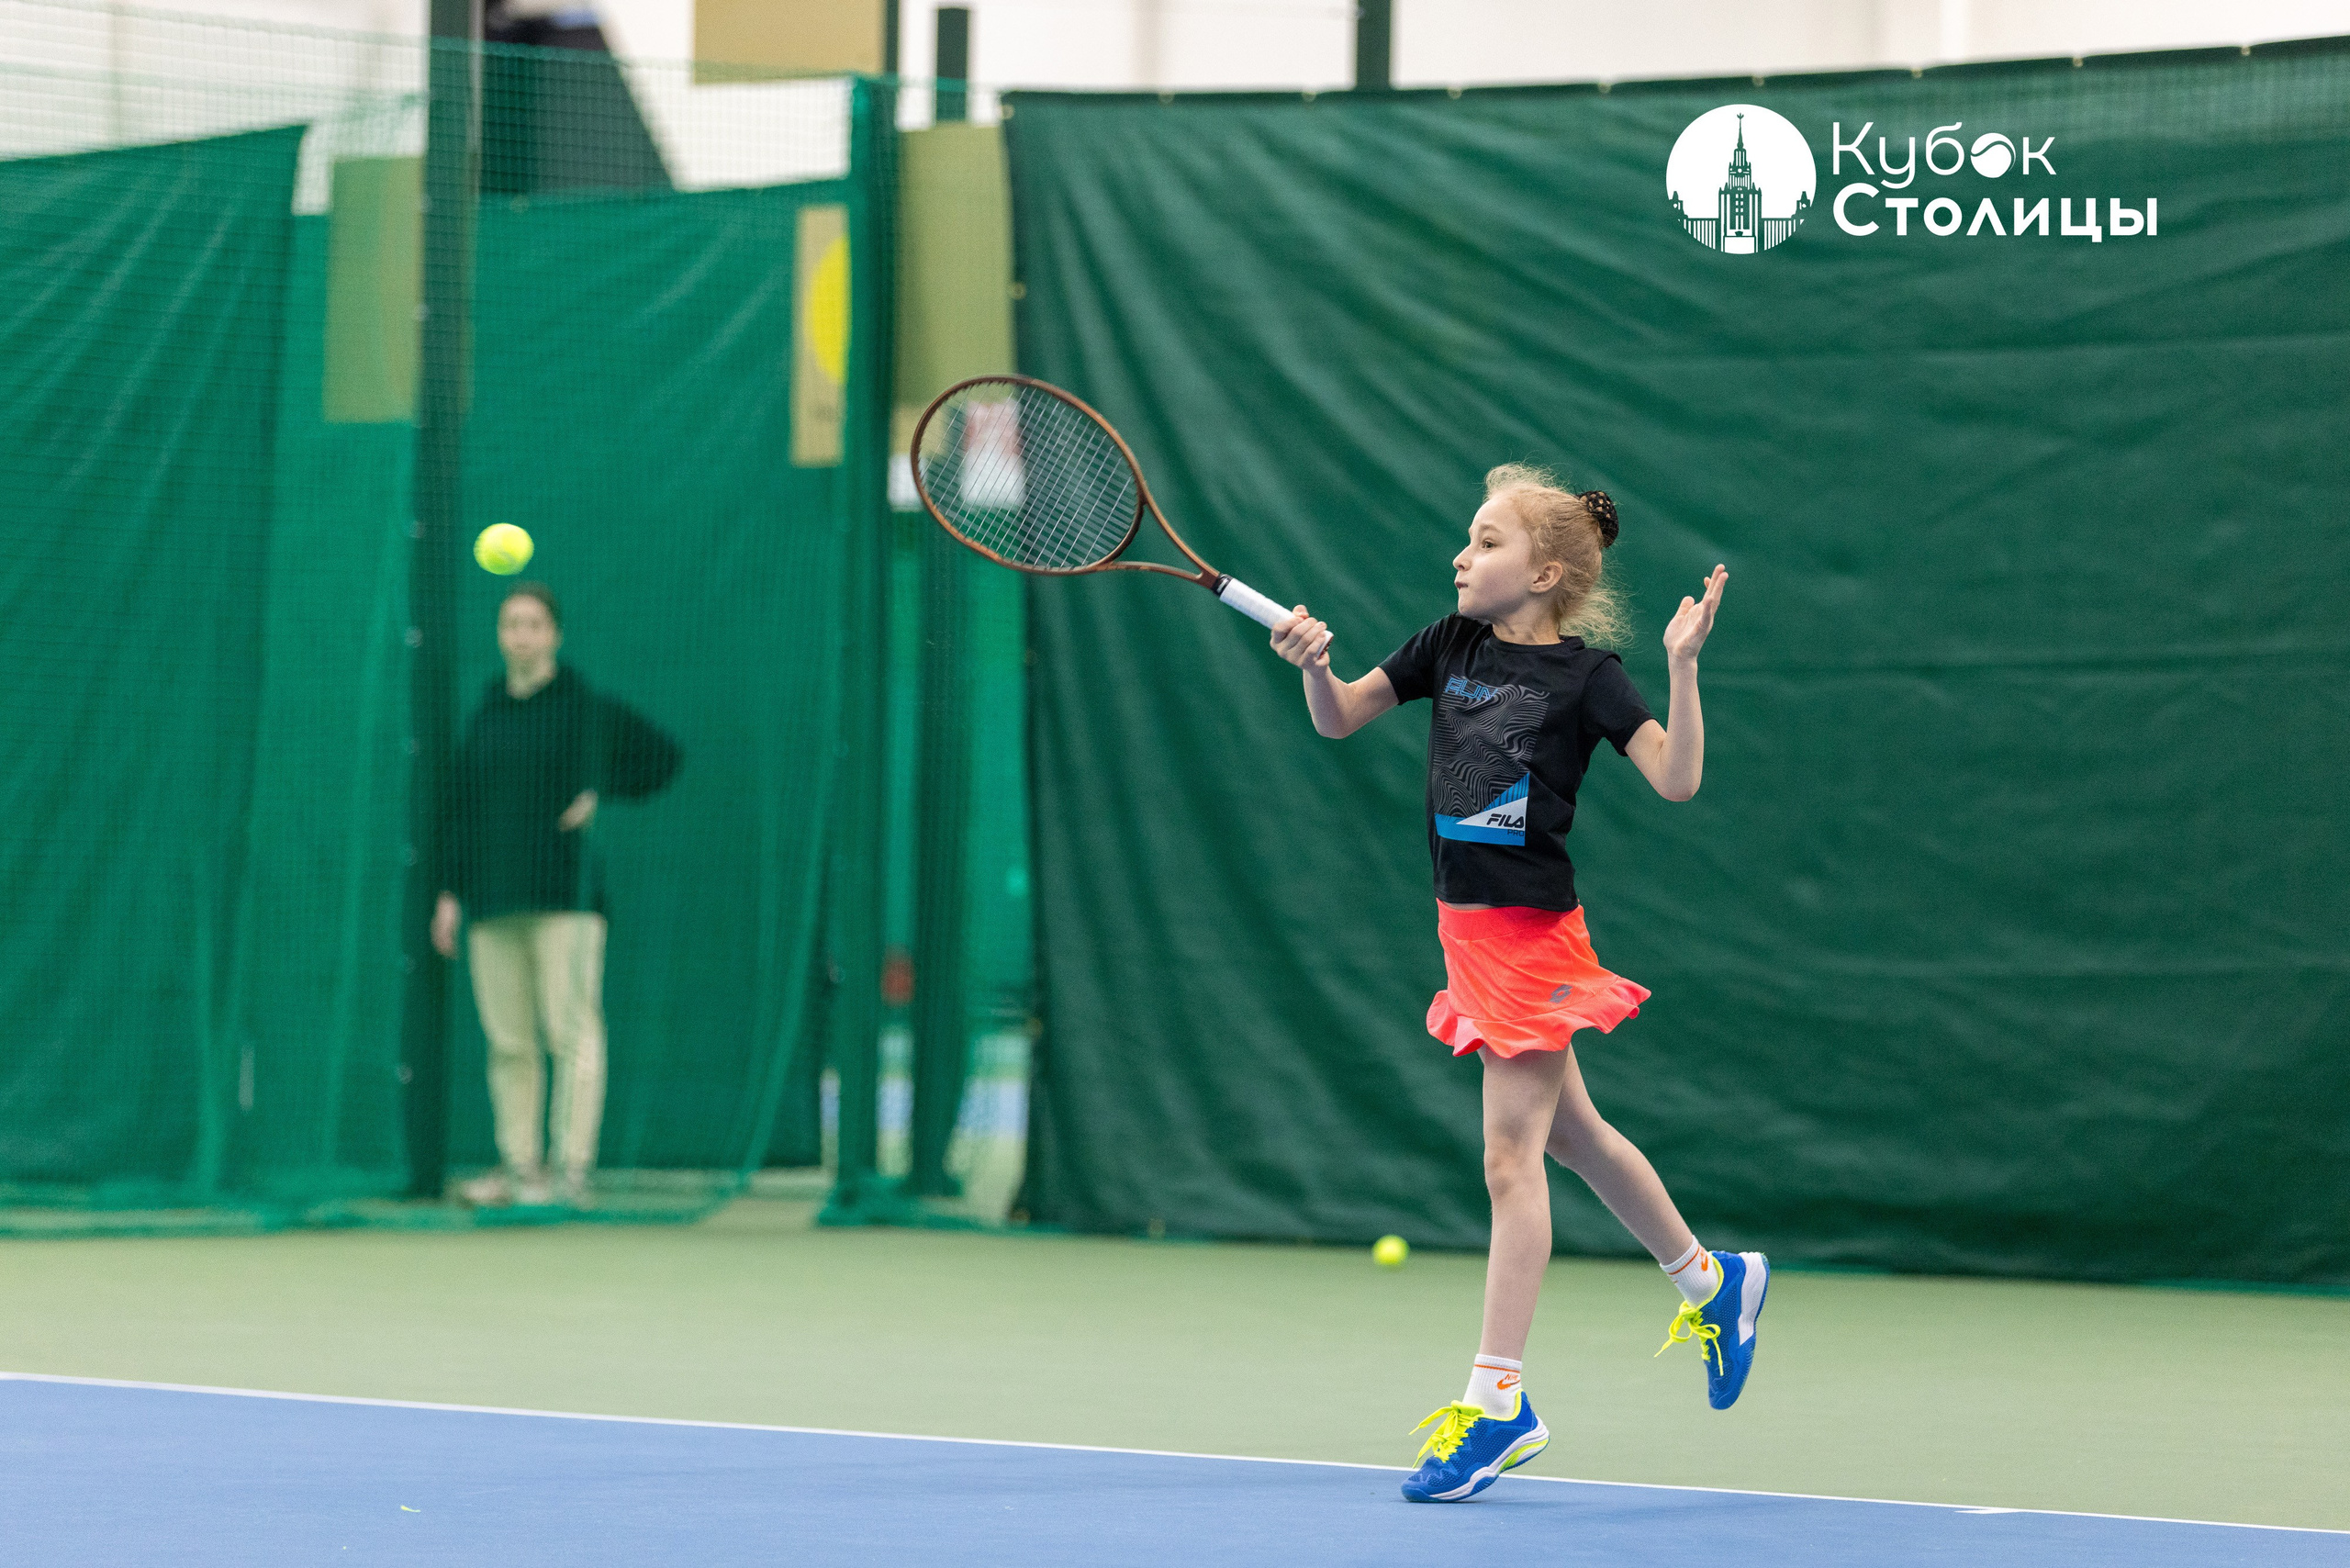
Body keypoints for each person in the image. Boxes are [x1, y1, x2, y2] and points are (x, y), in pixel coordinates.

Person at [1267, 465, 1742, 1505]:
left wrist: (1681, 666)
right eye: (1467, 539)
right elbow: (1341, 717)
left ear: (1546, 571)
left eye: (1484, 542)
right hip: (1463, 933)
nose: (1461, 556)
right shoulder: (1447, 647)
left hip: (1530, 939)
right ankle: (1713, 1280)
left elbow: (1676, 777)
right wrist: (1312, 664)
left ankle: (1497, 1402)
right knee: (1575, 1138)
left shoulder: (1590, 677)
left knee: (1508, 1159)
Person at [431, 582, 680, 1209]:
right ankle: (521, 1171)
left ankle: (572, 1173)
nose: (522, 635)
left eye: (534, 625)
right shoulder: (485, 716)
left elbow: (662, 758)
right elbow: (460, 812)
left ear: (554, 637)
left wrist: (601, 789)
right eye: (512, 624)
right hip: (491, 902)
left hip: (566, 902)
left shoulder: (584, 707)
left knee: (570, 1034)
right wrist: (449, 895)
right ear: (500, 635)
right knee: (509, 1044)